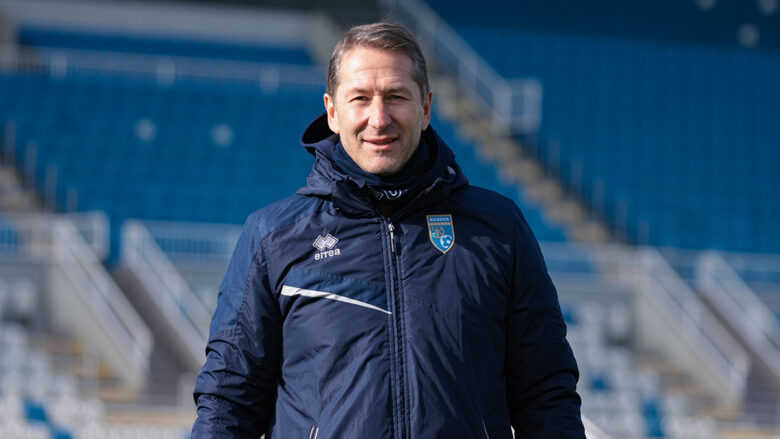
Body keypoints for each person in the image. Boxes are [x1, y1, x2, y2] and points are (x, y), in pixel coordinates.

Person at [192, 22, 584, 438]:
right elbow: (228, 399)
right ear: (332, 111)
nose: (379, 119)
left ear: (426, 108)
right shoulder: (274, 235)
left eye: (396, 97)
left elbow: (546, 393)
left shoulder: (498, 228)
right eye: (360, 98)